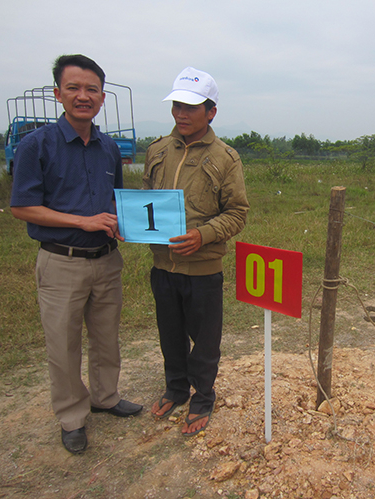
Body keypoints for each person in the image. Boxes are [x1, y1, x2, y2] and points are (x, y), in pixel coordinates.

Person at [10, 54, 143, 455]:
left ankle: (105, 396)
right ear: (58, 94)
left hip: (106, 261)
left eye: (91, 89)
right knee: (63, 344)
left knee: (106, 337)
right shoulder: (37, 145)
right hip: (61, 262)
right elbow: (22, 207)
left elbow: (116, 201)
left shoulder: (108, 149)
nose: (82, 96)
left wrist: (126, 222)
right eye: (73, 88)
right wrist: (81, 221)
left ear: (102, 97)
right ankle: (71, 416)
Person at [143, 67, 249, 436]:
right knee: (169, 332)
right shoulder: (157, 150)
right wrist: (131, 226)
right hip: (163, 265)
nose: (181, 114)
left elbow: (238, 212)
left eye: (190, 107)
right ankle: (176, 388)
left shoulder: (225, 158)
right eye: (176, 105)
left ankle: (203, 395)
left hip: (202, 269)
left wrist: (203, 235)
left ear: (211, 111)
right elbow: (147, 203)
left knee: (205, 340)